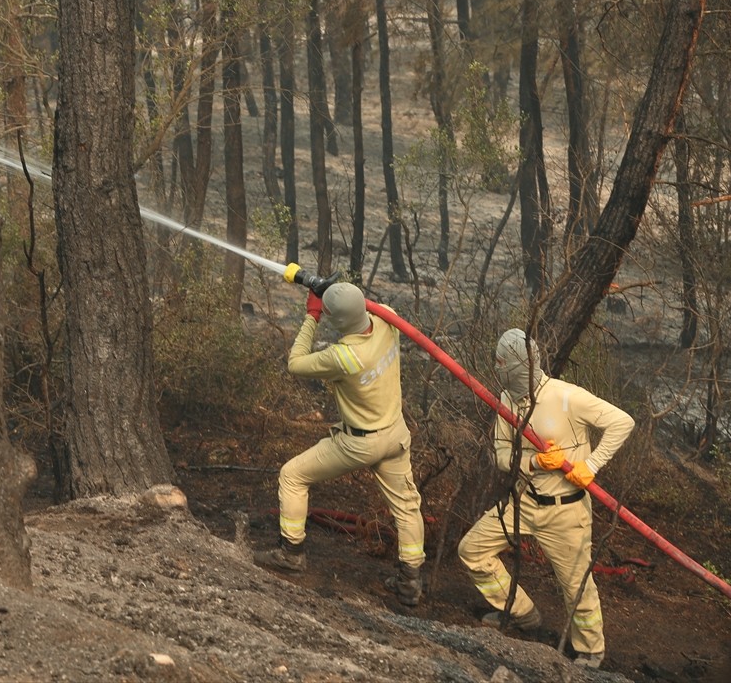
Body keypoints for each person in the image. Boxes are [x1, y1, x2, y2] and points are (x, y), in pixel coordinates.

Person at [458, 328, 635, 670]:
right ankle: (522, 613)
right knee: (472, 551)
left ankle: (590, 651)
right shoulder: (508, 400)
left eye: (505, 366)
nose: (500, 373)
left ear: (522, 365)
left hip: (565, 511)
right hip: (523, 501)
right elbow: (500, 455)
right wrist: (534, 462)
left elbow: (621, 422)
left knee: (576, 585)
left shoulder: (566, 397)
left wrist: (591, 465)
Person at [254, 281, 426, 608]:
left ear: (336, 321)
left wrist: (312, 315)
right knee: (407, 507)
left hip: (360, 443)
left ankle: (290, 554)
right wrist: (337, 291)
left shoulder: (343, 356)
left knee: (292, 476)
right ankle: (410, 583)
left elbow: (296, 363)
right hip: (395, 433)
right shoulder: (389, 319)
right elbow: (360, 306)